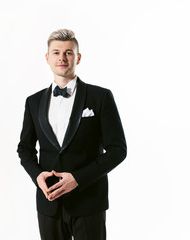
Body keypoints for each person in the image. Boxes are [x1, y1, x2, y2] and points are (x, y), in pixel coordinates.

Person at [17, 29, 127, 240]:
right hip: (49, 205)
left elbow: (118, 150)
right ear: (47, 58)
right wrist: (37, 176)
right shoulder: (33, 101)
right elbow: (25, 149)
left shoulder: (100, 97)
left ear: (78, 57)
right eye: (56, 52)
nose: (62, 58)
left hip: (89, 202)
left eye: (68, 52)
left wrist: (77, 178)